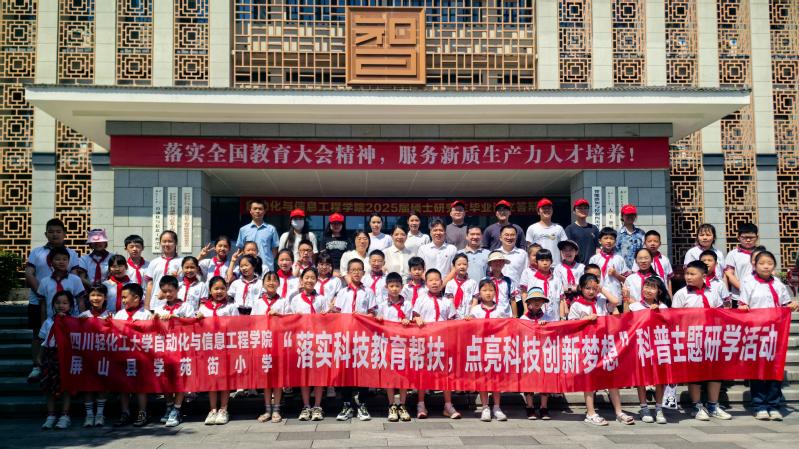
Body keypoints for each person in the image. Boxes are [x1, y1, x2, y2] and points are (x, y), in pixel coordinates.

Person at [739, 250, 799, 420]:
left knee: (775, 368)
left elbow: (786, 304)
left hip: (776, 332)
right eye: (762, 263)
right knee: (758, 368)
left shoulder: (779, 284)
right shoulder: (748, 283)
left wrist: (792, 305)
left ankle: (773, 405)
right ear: (754, 265)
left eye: (770, 263)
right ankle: (759, 405)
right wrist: (743, 308)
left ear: (774, 266)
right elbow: (743, 304)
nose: (766, 266)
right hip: (756, 332)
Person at [569, 273, 634, 426]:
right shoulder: (577, 305)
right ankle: (591, 412)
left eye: (594, 288)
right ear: (581, 288)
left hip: (604, 344)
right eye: (587, 288)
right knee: (589, 379)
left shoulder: (601, 301)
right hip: (587, 345)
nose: (591, 291)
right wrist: (585, 319)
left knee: (611, 378)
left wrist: (602, 289)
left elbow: (615, 301)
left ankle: (619, 411)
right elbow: (571, 325)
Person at [671, 261, 731, 421]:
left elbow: (720, 314)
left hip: (712, 338)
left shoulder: (713, 293)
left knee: (714, 373)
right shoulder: (681, 294)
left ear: (703, 276)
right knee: (695, 374)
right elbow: (675, 319)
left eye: (692, 274)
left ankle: (713, 405)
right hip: (692, 339)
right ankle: (696, 406)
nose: (688, 277)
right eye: (687, 274)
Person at [25, 218, 80, 382]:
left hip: (66, 304)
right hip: (39, 300)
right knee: (39, 333)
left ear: (64, 234)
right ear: (45, 234)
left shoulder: (72, 253)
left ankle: (64, 365)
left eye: (58, 231)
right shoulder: (36, 252)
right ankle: (37, 366)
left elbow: (74, 275)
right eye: (51, 231)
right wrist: (42, 292)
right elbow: (29, 273)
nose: (54, 234)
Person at [331, 259, 377, 421]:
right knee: (346, 371)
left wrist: (362, 316)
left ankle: (362, 405)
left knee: (362, 370)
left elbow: (373, 313)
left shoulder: (368, 291)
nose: (356, 273)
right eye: (353, 270)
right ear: (348, 273)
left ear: (364, 273)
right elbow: (337, 313)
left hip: (362, 337)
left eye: (359, 270)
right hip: (345, 336)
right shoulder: (343, 292)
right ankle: (347, 405)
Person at [413, 269, 460, 420]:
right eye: (431, 280)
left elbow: (453, 321)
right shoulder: (421, 299)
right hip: (425, 341)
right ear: (426, 283)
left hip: (443, 342)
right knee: (423, 372)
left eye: (437, 280)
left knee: (445, 373)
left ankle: (448, 405)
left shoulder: (447, 301)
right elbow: (414, 317)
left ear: (441, 281)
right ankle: (421, 404)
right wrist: (416, 319)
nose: (434, 283)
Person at [464, 279, 510, 422]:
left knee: (496, 378)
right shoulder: (476, 310)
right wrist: (469, 320)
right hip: (481, 347)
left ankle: (497, 407)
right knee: (483, 377)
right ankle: (485, 407)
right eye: (484, 290)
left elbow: (507, 326)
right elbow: (470, 327)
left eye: (491, 290)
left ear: (495, 293)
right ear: (479, 293)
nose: (488, 293)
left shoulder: (500, 310)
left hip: (496, 347)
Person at [285, 268, 328, 421]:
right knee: (304, 374)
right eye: (306, 277)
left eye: (312, 278)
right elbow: (289, 319)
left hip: (318, 340)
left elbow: (327, 320)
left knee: (318, 374)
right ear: (301, 280)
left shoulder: (321, 299)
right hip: (302, 341)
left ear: (316, 280)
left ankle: (317, 405)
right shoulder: (295, 299)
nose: (309, 280)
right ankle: (306, 405)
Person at [152, 275, 196, 427]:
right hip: (164, 349)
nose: (168, 294)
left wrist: (176, 317)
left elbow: (192, 324)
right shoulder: (159, 308)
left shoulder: (186, 307)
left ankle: (177, 409)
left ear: (177, 289)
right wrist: (155, 319)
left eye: (171, 290)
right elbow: (153, 328)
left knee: (179, 379)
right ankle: (169, 405)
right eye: (165, 291)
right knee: (165, 379)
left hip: (181, 348)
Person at [197, 276, 239, 425]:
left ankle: (224, 408)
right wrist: (199, 319)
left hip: (225, 347)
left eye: (222, 288)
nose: (219, 291)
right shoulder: (203, 308)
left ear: (227, 290)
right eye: (216, 289)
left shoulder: (231, 307)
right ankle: (212, 409)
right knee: (212, 379)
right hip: (209, 349)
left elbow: (237, 325)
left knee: (224, 379)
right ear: (210, 290)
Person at [629, 276, 669, 424]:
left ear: (659, 291)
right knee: (641, 377)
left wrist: (658, 312)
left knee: (659, 378)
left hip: (658, 346)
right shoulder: (634, 306)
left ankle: (659, 408)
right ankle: (644, 407)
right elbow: (628, 325)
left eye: (652, 287)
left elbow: (669, 325)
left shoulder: (663, 307)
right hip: (641, 345)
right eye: (646, 286)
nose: (648, 290)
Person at [112, 283, 153, 427]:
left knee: (141, 385)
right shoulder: (119, 314)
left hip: (141, 356)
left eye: (125, 297)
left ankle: (143, 412)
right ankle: (125, 412)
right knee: (124, 385)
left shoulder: (145, 314)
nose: (123, 300)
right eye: (122, 298)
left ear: (136, 298)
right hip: (123, 355)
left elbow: (151, 334)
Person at [374, 272, 413, 422]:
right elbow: (377, 320)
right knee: (389, 375)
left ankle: (402, 404)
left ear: (402, 287)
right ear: (387, 287)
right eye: (392, 286)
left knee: (403, 375)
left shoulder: (407, 304)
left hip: (403, 344)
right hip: (387, 344)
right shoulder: (382, 305)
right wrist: (378, 319)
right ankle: (391, 405)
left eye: (397, 286)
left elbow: (411, 321)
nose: (395, 289)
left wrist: (407, 321)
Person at [253, 271, 288, 423]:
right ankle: (267, 409)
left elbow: (290, 320)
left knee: (277, 378)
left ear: (279, 284)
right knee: (266, 378)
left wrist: (279, 316)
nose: (271, 283)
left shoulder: (283, 301)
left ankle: (277, 409)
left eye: (274, 280)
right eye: (268, 280)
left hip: (278, 343)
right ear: (263, 284)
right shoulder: (258, 302)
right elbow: (253, 322)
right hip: (263, 343)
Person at [39, 291, 76, 430]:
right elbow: (44, 341)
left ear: (70, 306)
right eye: (58, 302)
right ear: (53, 304)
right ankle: (51, 415)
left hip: (66, 356)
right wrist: (39, 356)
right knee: (49, 386)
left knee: (66, 385)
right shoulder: (48, 322)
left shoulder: (74, 322)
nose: (61, 305)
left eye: (65, 303)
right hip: (50, 355)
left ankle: (65, 415)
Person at [78, 285, 110, 427]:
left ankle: (100, 414)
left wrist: (111, 324)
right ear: (88, 297)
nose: (96, 298)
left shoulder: (110, 315)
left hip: (104, 358)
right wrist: (80, 324)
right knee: (87, 386)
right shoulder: (83, 316)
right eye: (93, 295)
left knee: (102, 385)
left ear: (105, 298)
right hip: (87, 358)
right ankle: (89, 415)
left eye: (99, 295)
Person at [520, 287, 553, 420]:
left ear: (543, 302)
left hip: (544, 352)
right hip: (528, 352)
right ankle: (530, 407)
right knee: (529, 379)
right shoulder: (523, 318)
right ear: (528, 302)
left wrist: (546, 326)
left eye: (540, 300)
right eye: (534, 300)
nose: (537, 302)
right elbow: (520, 335)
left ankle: (544, 407)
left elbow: (554, 334)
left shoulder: (548, 317)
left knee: (545, 379)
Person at [38, 247, 85, 321]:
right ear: (51, 262)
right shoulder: (44, 282)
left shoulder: (75, 280)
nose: (61, 262)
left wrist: (82, 321)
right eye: (57, 259)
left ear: (68, 261)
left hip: (72, 321)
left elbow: (80, 302)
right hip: (52, 321)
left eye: (65, 259)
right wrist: (43, 323)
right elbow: (43, 306)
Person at [589, 227, 628, 311]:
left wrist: (616, 274)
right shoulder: (594, 259)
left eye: (611, 238)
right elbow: (589, 279)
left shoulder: (619, 259)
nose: (608, 241)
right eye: (605, 238)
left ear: (615, 241)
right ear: (600, 241)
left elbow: (626, 280)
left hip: (616, 297)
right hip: (599, 298)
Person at [236, 199, 280, 272]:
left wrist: (269, 260)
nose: (257, 211)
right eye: (255, 208)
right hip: (248, 267)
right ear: (250, 211)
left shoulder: (271, 229)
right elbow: (240, 249)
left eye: (260, 209)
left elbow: (274, 249)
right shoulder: (243, 230)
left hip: (266, 266)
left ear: (264, 211)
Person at [144, 230, 182, 311]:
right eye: (164, 241)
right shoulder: (154, 262)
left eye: (170, 241)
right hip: (156, 303)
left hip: (176, 305)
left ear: (175, 243)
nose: (167, 244)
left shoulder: (182, 261)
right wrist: (147, 306)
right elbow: (150, 285)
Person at [523, 249, 562, 322]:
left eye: (547, 260)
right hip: (538, 320)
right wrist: (526, 310)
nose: (545, 263)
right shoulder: (532, 280)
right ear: (536, 262)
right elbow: (528, 298)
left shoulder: (557, 280)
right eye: (542, 260)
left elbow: (561, 299)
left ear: (551, 262)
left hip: (555, 319)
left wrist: (562, 318)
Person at [725, 222, 759, 305]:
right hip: (738, 297)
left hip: (758, 296)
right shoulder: (733, 254)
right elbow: (729, 274)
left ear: (757, 237)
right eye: (744, 237)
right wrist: (743, 289)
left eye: (751, 237)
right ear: (738, 237)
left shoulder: (761, 253)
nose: (748, 240)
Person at [525, 198, 567, 265]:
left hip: (556, 266)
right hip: (538, 266)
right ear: (538, 212)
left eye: (549, 208)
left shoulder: (559, 228)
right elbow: (529, 250)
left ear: (552, 211)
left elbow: (564, 248)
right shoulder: (532, 228)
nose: (547, 210)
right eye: (544, 208)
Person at [565, 198, 600, 265]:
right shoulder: (569, 229)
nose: (583, 210)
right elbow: (567, 249)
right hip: (575, 266)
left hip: (591, 266)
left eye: (585, 208)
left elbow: (598, 248)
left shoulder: (594, 228)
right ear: (574, 211)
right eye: (580, 208)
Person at [485, 251, 519, 317]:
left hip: (505, 316)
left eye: (500, 261)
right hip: (490, 315)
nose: (498, 263)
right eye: (495, 261)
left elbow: (513, 300)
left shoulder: (508, 281)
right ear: (490, 264)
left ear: (504, 263)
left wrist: (515, 316)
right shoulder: (485, 281)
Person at [554, 240, 584, 313]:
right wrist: (573, 288)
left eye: (570, 250)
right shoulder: (558, 268)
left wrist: (568, 288)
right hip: (563, 299)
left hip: (579, 298)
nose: (567, 253)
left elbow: (583, 286)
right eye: (565, 250)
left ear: (576, 252)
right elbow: (557, 286)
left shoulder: (581, 267)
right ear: (561, 252)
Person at [640, 230, 673, 295]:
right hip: (646, 294)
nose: (652, 243)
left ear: (660, 244)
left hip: (663, 294)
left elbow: (668, 279)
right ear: (644, 243)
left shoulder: (665, 259)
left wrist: (670, 295)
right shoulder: (640, 259)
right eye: (649, 241)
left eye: (655, 241)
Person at [616, 204, 645, 271]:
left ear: (635, 216)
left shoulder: (641, 233)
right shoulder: (617, 234)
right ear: (622, 216)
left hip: (638, 269)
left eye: (632, 214)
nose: (630, 217)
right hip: (621, 270)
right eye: (627, 215)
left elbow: (644, 250)